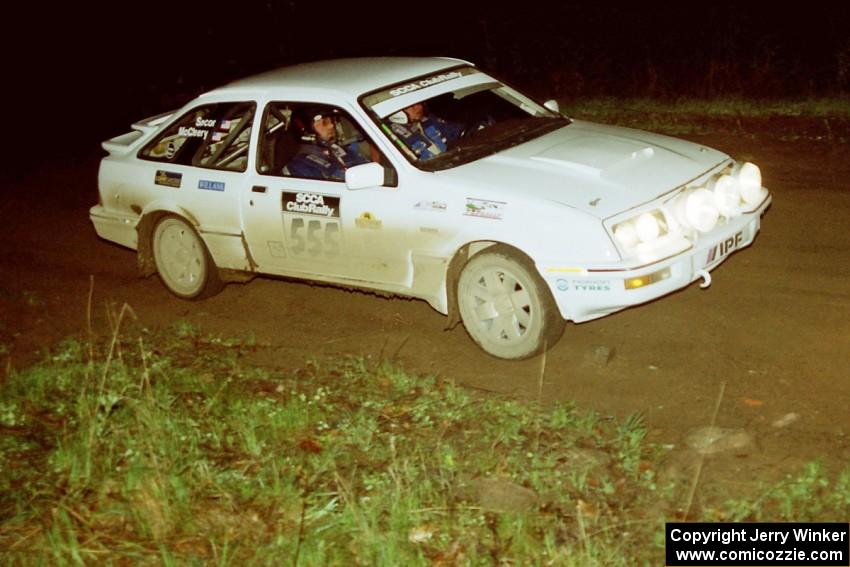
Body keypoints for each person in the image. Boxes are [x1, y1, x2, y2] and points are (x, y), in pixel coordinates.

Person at [286, 108, 369, 181]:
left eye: (332, 120)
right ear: (306, 130)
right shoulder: (299, 167)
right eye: (324, 122)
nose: (331, 125)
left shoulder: (340, 150)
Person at [388, 102, 463, 161]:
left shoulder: (428, 121)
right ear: (397, 112)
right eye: (412, 106)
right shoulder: (392, 138)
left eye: (419, 103)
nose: (420, 107)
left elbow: (456, 131)